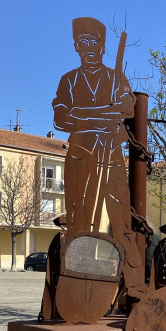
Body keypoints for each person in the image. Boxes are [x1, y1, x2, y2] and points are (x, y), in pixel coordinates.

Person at [52, 17, 144, 297]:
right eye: (84, 41)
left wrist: (83, 115)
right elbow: (61, 119)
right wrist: (105, 114)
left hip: (112, 156)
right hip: (80, 156)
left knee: (121, 220)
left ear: (103, 46)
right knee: (78, 221)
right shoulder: (68, 80)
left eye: (95, 42)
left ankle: (135, 285)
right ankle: (76, 286)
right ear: (76, 46)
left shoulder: (116, 78)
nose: (90, 47)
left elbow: (127, 108)